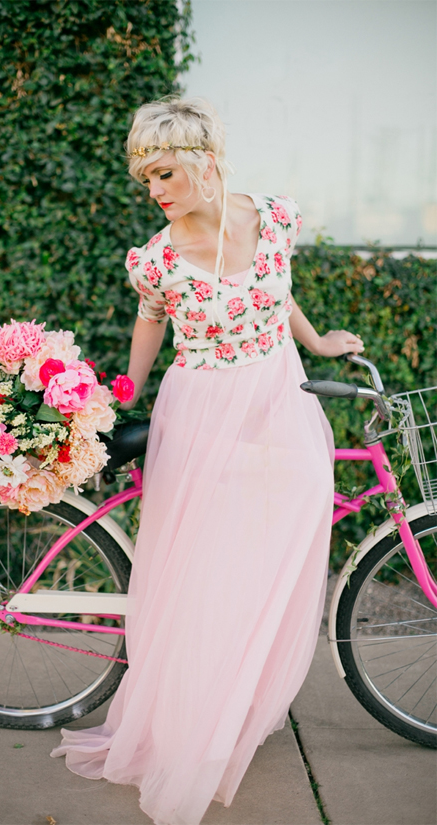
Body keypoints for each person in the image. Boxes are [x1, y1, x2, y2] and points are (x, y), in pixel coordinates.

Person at [51, 96, 364, 825]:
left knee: (290, 526)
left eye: (163, 173)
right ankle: (197, 714)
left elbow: (277, 294)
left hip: (279, 397)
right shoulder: (157, 258)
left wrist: (317, 343)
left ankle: (244, 691)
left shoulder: (273, 218)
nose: (154, 190)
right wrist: (121, 393)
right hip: (199, 410)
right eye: (145, 178)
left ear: (203, 162)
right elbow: (151, 323)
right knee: (208, 565)